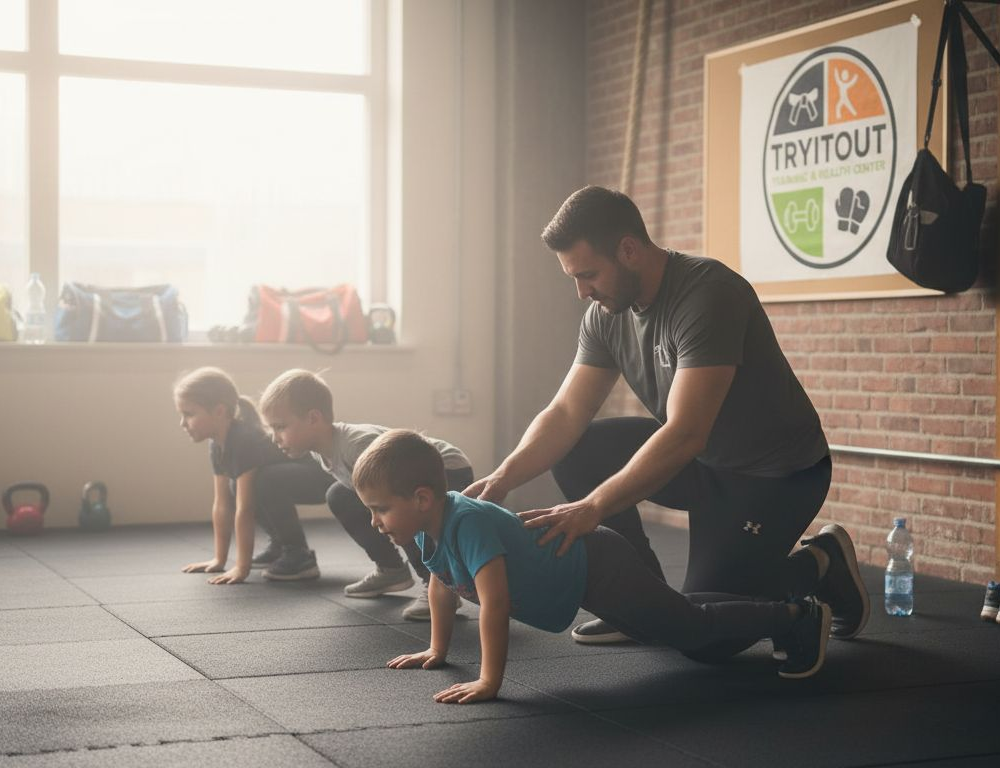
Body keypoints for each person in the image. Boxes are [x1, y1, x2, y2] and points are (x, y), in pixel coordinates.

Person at [464, 185, 868, 647]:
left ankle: (820, 565)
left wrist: (594, 507)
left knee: (704, 629)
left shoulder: (708, 294)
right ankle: (639, 599)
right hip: (704, 465)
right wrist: (503, 477)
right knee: (579, 452)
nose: (581, 292)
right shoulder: (606, 313)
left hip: (774, 477)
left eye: (589, 274)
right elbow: (566, 411)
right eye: (574, 278)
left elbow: (685, 433)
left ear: (629, 250)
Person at [362, 430, 833, 704]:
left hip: (598, 566)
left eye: (380, 509)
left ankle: (795, 616)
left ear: (422, 498)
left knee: (689, 628)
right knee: (675, 616)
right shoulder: (428, 528)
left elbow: (495, 602)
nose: (374, 521)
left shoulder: (467, 523)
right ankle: (784, 606)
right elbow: (442, 587)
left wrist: (489, 680)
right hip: (582, 580)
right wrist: (437, 650)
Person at [260, 368, 475, 621]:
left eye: (280, 427)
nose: (275, 438)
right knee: (340, 496)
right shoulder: (321, 450)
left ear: (313, 418)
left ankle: (438, 586)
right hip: (408, 477)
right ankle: (391, 569)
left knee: (398, 513)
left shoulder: (356, 446)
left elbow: (402, 499)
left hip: (447, 468)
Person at [174, 366, 334, 584]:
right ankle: (279, 546)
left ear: (219, 411)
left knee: (262, 482)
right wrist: (219, 560)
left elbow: (244, 509)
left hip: (322, 477)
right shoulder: (217, 444)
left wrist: (241, 567)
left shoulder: (243, 440)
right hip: (286, 480)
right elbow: (222, 504)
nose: (183, 423)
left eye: (189, 414)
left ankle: (299, 554)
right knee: (237, 487)